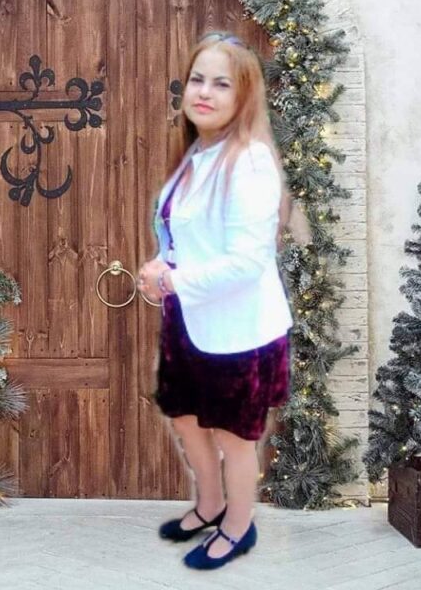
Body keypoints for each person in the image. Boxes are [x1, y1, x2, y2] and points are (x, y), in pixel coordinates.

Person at [136, 31, 294, 570]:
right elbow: (185, 237)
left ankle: (238, 526)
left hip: (238, 330)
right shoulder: (197, 154)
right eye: (197, 79)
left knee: (233, 436)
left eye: (221, 84)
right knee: (185, 418)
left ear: (243, 95)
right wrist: (159, 268)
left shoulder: (249, 161)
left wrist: (174, 280)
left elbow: (247, 262)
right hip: (189, 320)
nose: (204, 92)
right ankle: (208, 505)